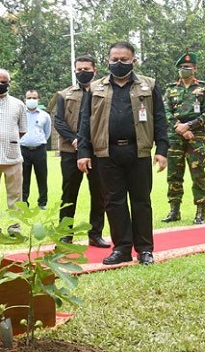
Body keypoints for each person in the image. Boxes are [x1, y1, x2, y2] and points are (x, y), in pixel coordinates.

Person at [77, 41, 169, 265]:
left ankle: (145, 250)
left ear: (133, 61)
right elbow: (85, 122)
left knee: (141, 201)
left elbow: (159, 118)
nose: (119, 63)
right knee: (114, 202)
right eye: (114, 59)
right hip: (106, 153)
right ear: (108, 60)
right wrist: (83, 151)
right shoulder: (95, 87)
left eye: (124, 60)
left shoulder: (149, 85)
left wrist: (162, 149)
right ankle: (122, 248)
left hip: (138, 152)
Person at [54, 55, 110, 248]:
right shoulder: (64, 94)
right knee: (69, 193)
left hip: (96, 151)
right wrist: (75, 139)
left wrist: (89, 143)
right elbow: (59, 121)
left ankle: (95, 234)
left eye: (87, 69)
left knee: (99, 192)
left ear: (95, 70)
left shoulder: (103, 93)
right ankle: (65, 234)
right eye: (79, 69)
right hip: (71, 151)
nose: (82, 72)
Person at [161, 50, 205, 224]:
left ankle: (200, 211)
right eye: (182, 67)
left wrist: (189, 126)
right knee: (174, 173)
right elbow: (165, 112)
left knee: (197, 173)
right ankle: (174, 210)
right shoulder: (170, 89)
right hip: (175, 136)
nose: (184, 69)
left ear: (195, 69)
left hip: (196, 137)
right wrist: (180, 128)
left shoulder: (204, 89)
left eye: (188, 67)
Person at [0, 69, 27, 238]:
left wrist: (9, 139)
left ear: (9, 83)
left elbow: (22, 130)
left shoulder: (19, 104)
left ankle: (14, 228)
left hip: (13, 157)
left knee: (15, 196)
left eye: (3, 82)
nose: (0, 85)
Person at [21, 89, 51, 210]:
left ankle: (42, 202)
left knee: (42, 176)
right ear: (25, 99)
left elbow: (47, 132)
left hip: (40, 150)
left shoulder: (45, 115)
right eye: (29, 98)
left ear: (39, 100)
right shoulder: (21, 114)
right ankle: (24, 203)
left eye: (34, 98)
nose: (31, 100)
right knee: (24, 178)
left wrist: (38, 140)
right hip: (23, 150)